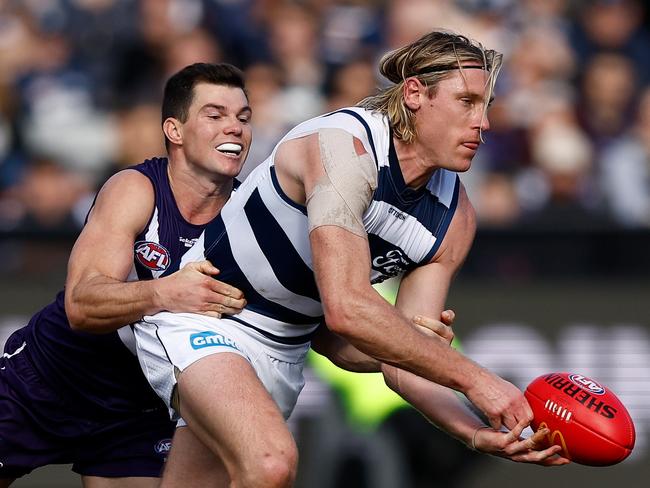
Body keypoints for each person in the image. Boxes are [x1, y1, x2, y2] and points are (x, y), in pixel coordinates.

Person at [134, 31, 569, 488]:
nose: (483, 123)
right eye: (466, 101)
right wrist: (478, 380)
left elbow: (401, 359)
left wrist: (473, 432)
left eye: (488, 105)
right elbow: (346, 309)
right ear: (416, 94)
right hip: (206, 316)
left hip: (284, 352)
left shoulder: (455, 219)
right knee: (270, 463)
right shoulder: (344, 146)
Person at [0, 63, 249, 487]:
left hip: (138, 408)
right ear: (174, 130)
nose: (235, 128)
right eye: (215, 115)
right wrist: (166, 292)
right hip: (48, 379)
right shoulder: (136, 189)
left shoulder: (251, 216)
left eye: (243, 118)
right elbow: (82, 304)